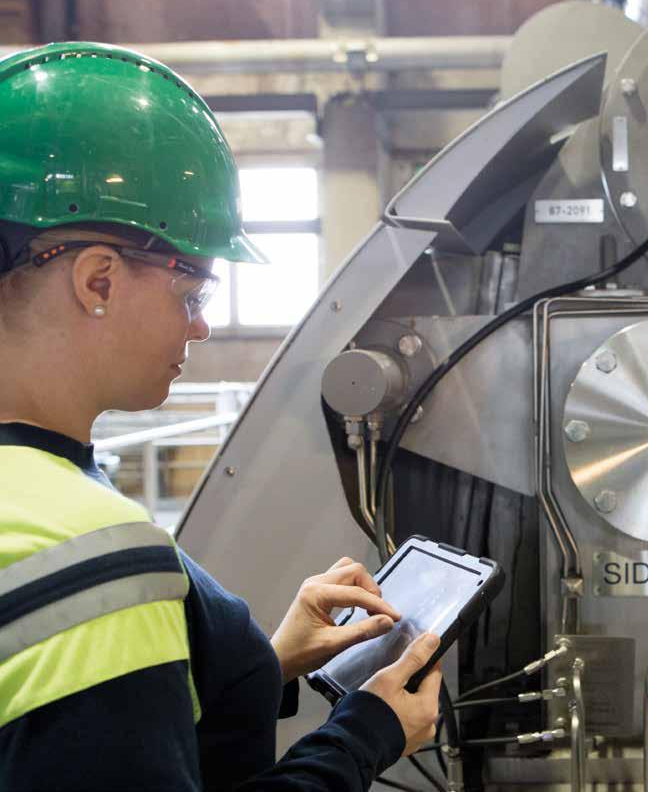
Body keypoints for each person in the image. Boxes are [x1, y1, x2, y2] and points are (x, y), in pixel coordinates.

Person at [0, 41, 441, 791]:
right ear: (98, 279)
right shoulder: (86, 548)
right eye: (192, 293)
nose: (200, 327)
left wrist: (253, 662)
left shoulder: (37, 492)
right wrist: (364, 735)